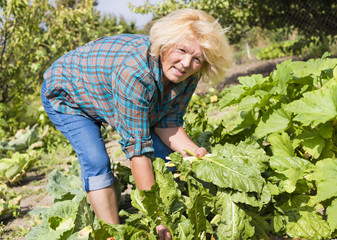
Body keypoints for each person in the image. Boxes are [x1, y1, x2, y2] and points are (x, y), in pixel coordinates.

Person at [41, 8, 232, 239]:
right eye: (181, 50)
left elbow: (168, 123)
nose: (185, 63)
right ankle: (112, 233)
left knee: (165, 153)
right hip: (69, 94)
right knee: (96, 160)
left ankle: (175, 209)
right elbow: (137, 151)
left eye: (196, 59)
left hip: (105, 90)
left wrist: (194, 152)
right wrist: (158, 219)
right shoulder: (135, 73)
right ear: (165, 44)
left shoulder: (189, 74)